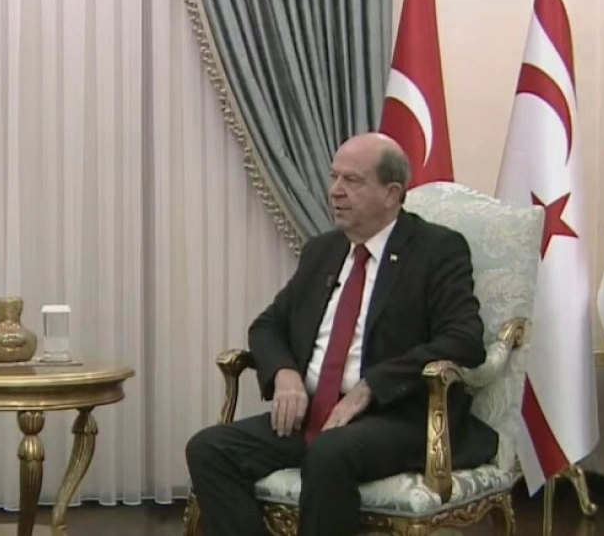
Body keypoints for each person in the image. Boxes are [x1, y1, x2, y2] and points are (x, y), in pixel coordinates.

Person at [185, 133, 498, 535]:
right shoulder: (323, 251)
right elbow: (267, 325)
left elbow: (464, 339)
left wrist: (372, 386)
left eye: (352, 180)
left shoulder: (436, 250)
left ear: (391, 193)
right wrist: (284, 374)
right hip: (315, 412)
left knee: (330, 453)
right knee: (209, 448)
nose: (335, 191)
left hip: (397, 417)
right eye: (334, 177)